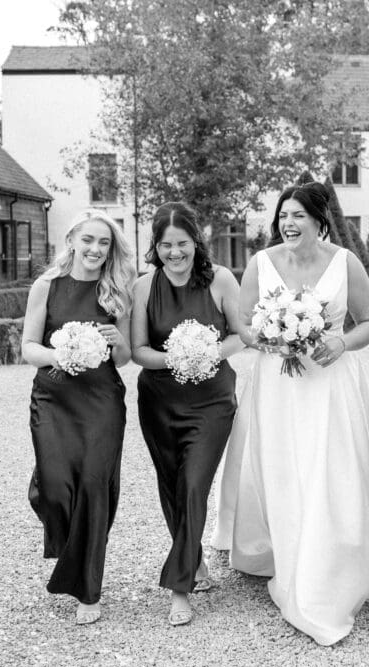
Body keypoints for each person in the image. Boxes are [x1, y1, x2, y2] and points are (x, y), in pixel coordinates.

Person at [214, 182, 369, 646]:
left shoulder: (345, 263)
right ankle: (285, 550)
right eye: (283, 215)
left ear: (319, 220)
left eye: (298, 215)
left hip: (330, 381)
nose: (288, 223)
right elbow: (243, 324)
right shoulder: (261, 264)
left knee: (332, 470)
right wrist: (269, 338)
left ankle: (331, 566)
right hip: (277, 386)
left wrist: (340, 341)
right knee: (284, 470)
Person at [131, 202, 247, 626]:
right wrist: (178, 357)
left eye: (182, 244)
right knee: (172, 484)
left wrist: (208, 353)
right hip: (159, 401)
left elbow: (241, 335)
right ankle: (193, 558)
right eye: (166, 246)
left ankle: (179, 588)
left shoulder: (220, 279)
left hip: (212, 401)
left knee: (195, 483)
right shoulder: (144, 287)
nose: (174, 253)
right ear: (155, 247)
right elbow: (139, 351)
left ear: (196, 242)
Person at [21, 209, 135, 625]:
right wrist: (61, 355)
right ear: (71, 240)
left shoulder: (117, 290)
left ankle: (88, 589)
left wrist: (118, 339)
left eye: (104, 243)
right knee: (52, 487)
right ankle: (71, 542)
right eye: (88, 240)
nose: (95, 249)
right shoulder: (46, 286)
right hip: (53, 398)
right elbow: (28, 347)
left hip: (102, 402)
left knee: (92, 486)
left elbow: (122, 359)